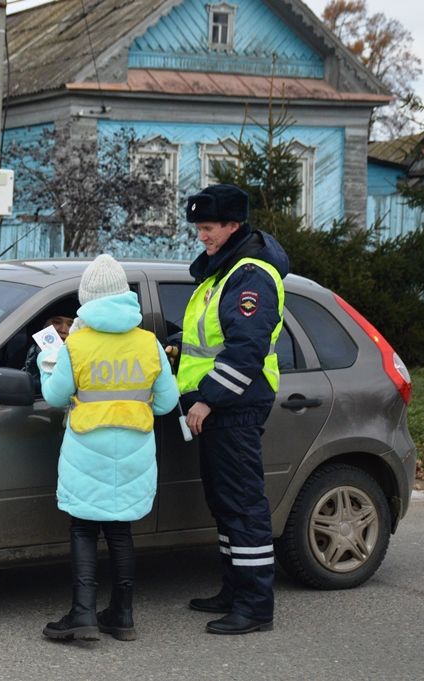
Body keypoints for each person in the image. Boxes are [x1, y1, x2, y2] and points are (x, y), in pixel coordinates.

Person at [37, 254, 179, 642]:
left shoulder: (76, 345)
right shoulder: (149, 344)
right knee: (120, 531)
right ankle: (122, 615)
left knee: (83, 528)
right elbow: (166, 403)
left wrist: (45, 360)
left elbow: (53, 396)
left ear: (87, 298)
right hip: (134, 452)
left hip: (87, 452)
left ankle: (82, 614)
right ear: (124, 296)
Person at [169, 183, 289, 636]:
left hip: (234, 405)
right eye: (198, 228)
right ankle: (234, 589)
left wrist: (206, 399)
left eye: (208, 227)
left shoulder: (250, 276)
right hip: (221, 406)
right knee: (225, 503)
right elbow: (209, 337)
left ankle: (256, 606)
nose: (201, 236)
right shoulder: (223, 272)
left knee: (244, 506)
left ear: (233, 225)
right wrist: (177, 346)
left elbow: (246, 350)